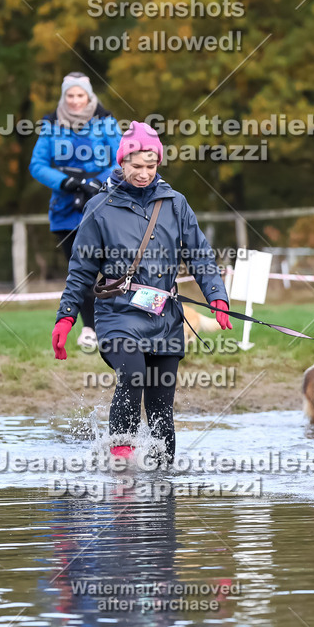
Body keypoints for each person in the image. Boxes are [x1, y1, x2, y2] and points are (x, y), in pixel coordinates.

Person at [51, 122, 233, 461]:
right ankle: (121, 469)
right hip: (117, 314)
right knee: (133, 376)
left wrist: (217, 297)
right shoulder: (99, 208)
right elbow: (81, 270)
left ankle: (164, 481)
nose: (144, 173)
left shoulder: (175, 203)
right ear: (122, 163)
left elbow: (200, 254)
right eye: (137, 166)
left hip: (165, 318)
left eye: (151, 166)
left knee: (162, 404)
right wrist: (66, 317)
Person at [30, 72, 123, 349]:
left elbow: (122, 157)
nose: (74, 101)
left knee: (112, 267)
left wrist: (97, 181)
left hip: (103, 204)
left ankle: (117, 325)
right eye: (70, 95)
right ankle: (91, 329)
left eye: (79, 95)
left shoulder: (105, 122)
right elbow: (37, 164)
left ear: (89, 96)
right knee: (79, 271)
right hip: (66, 209)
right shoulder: (50, 125)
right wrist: (66, 182)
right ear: (64, 96)